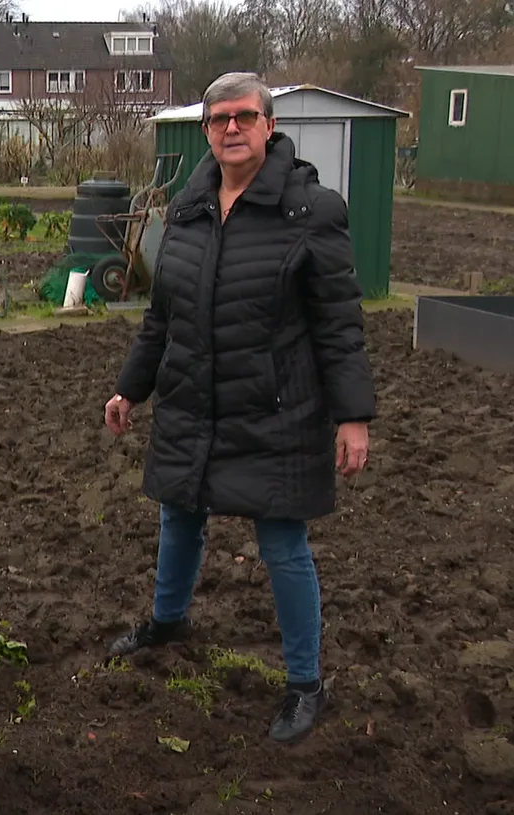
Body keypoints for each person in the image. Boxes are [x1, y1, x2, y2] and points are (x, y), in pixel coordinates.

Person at [103, 72, 377, 744]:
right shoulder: (187, 211)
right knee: (179, 511)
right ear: (206, 130)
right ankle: (168, 620)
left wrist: (352, 416)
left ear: (269, 125)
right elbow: (160, 317)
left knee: (282, 542)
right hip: (193, 400)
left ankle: (305, 682)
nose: (232, 128)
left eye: (244, 117)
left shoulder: (311, 211)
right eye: (219, 118)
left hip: (275, 408)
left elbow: (339, 324)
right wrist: (130, 388)